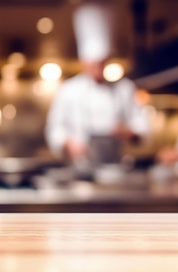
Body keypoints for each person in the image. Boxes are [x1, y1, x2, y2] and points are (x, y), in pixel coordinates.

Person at [45, 2, 150, 165]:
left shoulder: (124, 89)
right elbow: (54, 130)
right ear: (83, 62)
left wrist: (129, 132)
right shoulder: (68, 90)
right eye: (94, 64)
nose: (98, 69)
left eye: (102, 63)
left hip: (116, 167)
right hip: (80, 166)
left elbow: (142, 125)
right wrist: (69, 143)